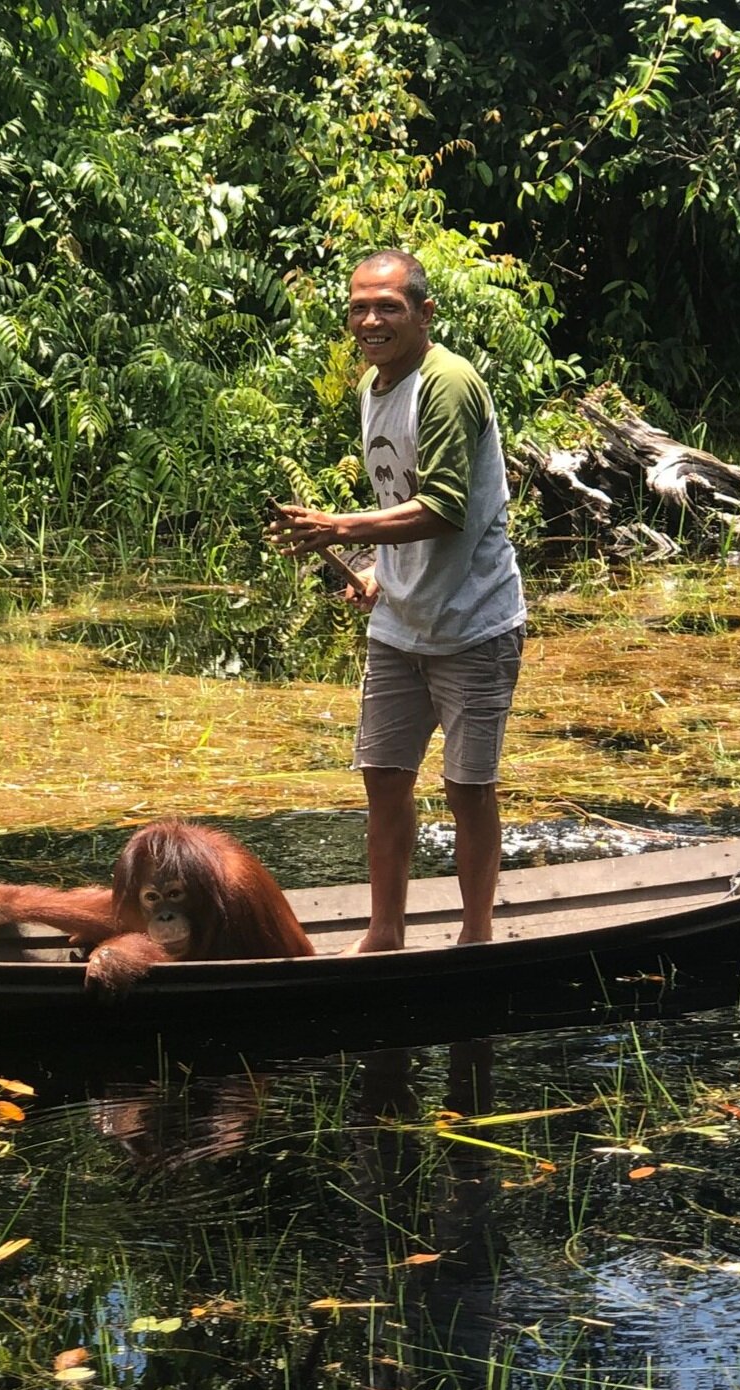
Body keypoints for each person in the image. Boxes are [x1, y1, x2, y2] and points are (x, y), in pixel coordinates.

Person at [269, 249, 524, 952]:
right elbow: (398, 495)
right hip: (401, 624)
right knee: (383, 778)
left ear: (424, 312)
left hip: (474, 623)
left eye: (388, 306)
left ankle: (476, 937)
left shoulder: (446, 384)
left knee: (467, 788)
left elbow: (443, 506)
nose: (371, 320)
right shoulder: (375, 385)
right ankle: (385, 933)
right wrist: (377, 569)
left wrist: (337, 526)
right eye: (359, 307)